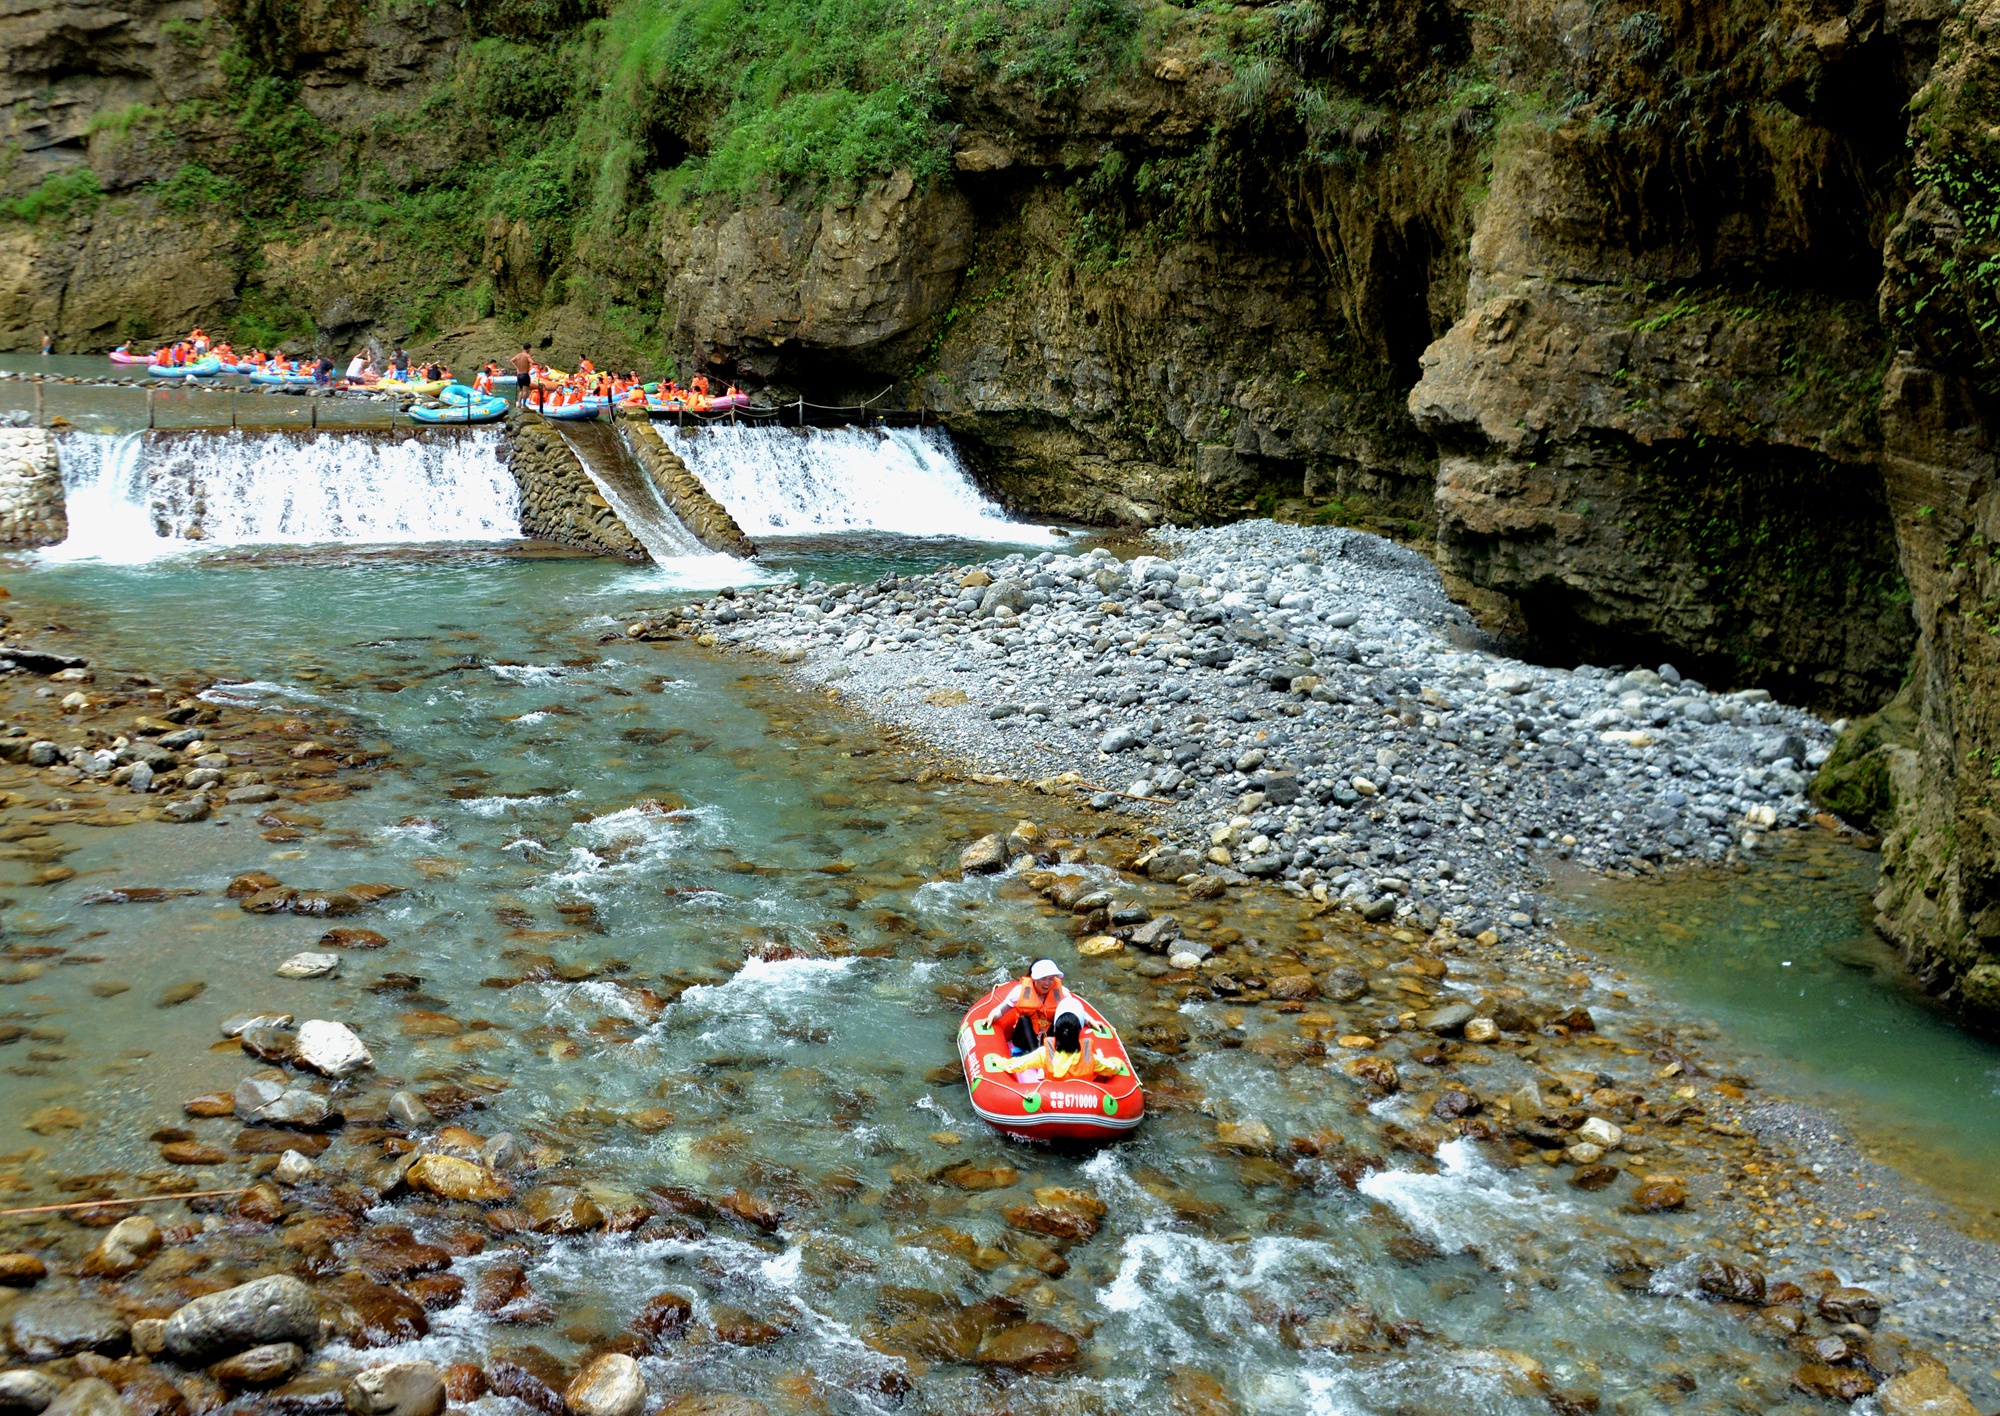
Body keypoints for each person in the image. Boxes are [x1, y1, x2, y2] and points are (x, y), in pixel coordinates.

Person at [996, 1008, 1129, 1081]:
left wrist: (999, 1061)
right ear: (1078, 1033)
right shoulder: (1091, 1058)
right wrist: (1117, 1062)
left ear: (1054, 1032)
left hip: (1050, 1102)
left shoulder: (1044, 1053)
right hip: (1085, 1106)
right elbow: (1113, 1068)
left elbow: (1018, 1065)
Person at [983, 959, 1071, 1055]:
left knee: (1062, 1018)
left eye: (1051, 979)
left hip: (1048, 1035)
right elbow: (1001, 1009)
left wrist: (1088, 1019)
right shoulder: (1019, 991)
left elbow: (1074, 1008)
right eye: (1043, 978)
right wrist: (992, 1016)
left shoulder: (1062, 992)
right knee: (1024, 1019)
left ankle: (1056, 1051)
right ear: (1034, 978)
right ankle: (1036, 1054)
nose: (1047, 983)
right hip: (1024, 1039)